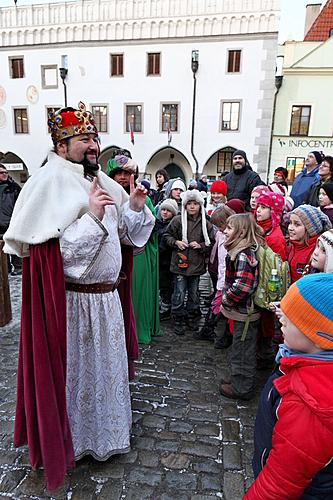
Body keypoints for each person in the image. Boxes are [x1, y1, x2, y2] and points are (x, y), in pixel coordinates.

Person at [3, 102, 155, 491]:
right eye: (84, 139)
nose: (93, 145)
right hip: (73, 306)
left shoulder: (101, 177)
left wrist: (134, 210)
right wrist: (90, 218)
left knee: (105, 373)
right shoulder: (49, 180)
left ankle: (108, 436)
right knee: (79, 376)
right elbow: (55, 258)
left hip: (106, 302)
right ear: (61, 143)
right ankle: (80, 441)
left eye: (94, 138)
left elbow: (125, 239)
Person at [245, 273, 333, 500]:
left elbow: (279, 484)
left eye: (292, 318)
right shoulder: (305, 359)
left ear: (318, 336)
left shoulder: (309, 403)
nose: (281, 319)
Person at [107, 155, 160, 345]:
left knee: (135, 295)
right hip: (109, 257)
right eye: (118, 173)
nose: (122, 177)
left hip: (137, 255)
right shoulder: (104, 195)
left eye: (127, 173)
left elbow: (153, 225)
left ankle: (136, 331)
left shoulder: (142, 197)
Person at [218, 213, 265, 400]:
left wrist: (226, 299)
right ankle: (238, 379)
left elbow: (243, 286)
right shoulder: (240, 249)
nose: (225, 231)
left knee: (243, 349)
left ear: (241, 231)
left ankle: (242, 387)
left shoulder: (243, 253)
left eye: (229, 228)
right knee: (239, 347)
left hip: (245, 312)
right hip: (242, 311)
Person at [164, 189, 215, 336]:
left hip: (196, 265)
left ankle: (192, 316)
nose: (192, 207)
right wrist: (176, 242)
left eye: (195, 204)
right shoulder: (178, 220)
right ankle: (178, 318)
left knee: (193, 293)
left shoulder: (206, 223)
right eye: (189, 204)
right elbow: (167, 235)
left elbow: (211, 242)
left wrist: (201, 246)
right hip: (179, 264)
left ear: (200, 205)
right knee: (179, 293)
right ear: (185, 206)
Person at [195, 205, 235, 342]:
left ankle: (209, 328)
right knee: (217, 304)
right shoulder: (221, 235)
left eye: (220, 226)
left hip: (224, 279)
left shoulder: (227, 238)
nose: (218, 228)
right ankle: (208, 328)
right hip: (222, 278)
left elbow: (224, 264)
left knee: (218, 303)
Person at [287, 204, 332, 283]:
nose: (290, 228)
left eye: (297, 224)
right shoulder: (292, 244)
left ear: (310, 229)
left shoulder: (315, 250)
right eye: (290, 223)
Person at [155, 198, 178, 320]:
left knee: (166, 285)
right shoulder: (158, 223)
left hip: (167, 260)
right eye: (163, 209)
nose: (164, 212)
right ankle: (164, 304)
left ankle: (166, 307)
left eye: (168, 211)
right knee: (161, 283)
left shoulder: (172, 225)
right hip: (159, 259)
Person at [0, 164, 22, 275]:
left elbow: (21, 204)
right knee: (1, 250)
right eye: (1, 172)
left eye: (6, 172)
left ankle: (18, 267)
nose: (5, 174)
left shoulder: (14, 187)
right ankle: (5, 268)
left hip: (11, 222)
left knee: (13, 246)